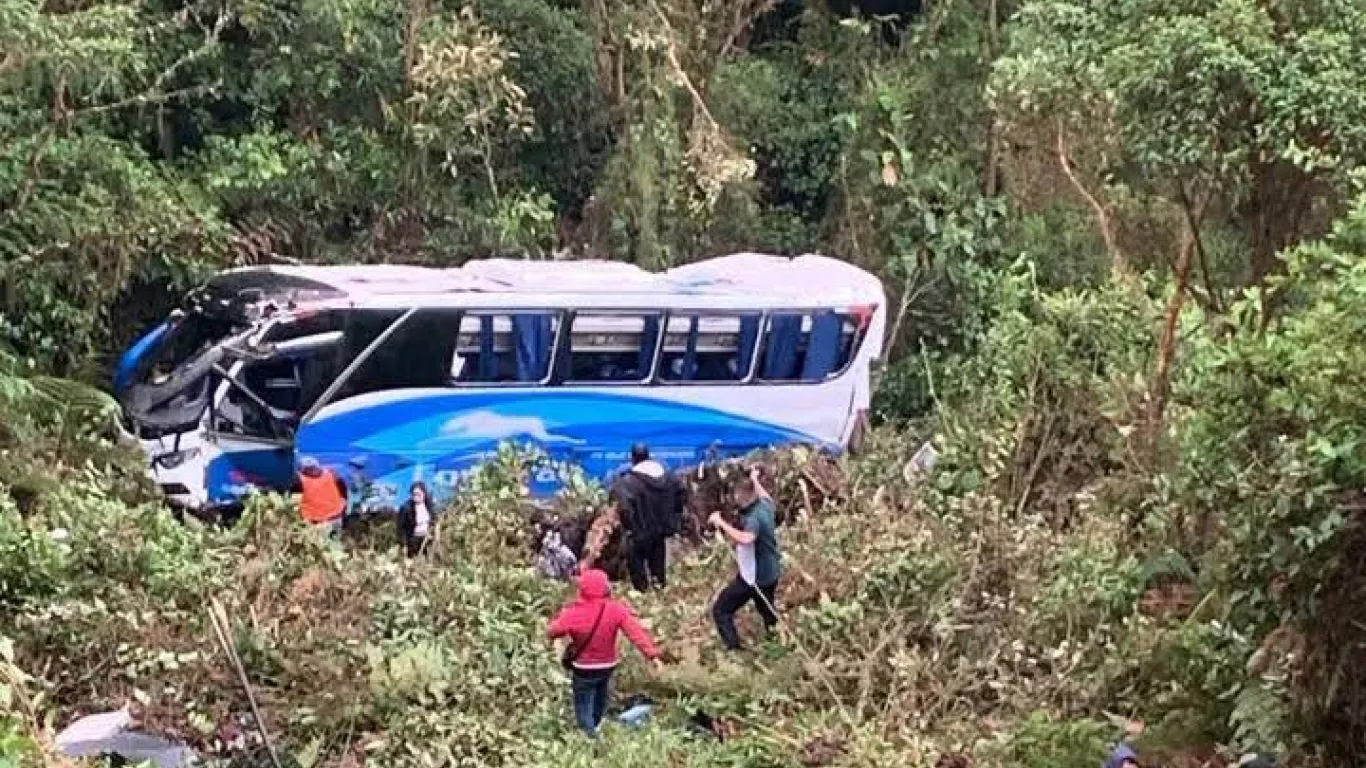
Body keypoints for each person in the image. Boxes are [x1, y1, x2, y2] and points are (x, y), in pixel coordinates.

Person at [547, 569, 664, 736]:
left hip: (584, 668)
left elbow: (553, 630)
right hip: (607, 665)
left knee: (583, 703)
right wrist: (652, 655)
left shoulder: (574, 612)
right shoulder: (616, 610)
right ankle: (596, 726)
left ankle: (589, 736)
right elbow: (636, 633)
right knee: (600, 698)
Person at [708, 468, 782, 651]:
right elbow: (766, 496)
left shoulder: (753, 519)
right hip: (771, 572)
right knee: (767, 610)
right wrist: (755, 480)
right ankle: (776, 644)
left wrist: (721, 523)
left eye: (736, 496)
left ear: (743, 497)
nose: (734, 499)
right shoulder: (765, 506)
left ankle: (734, 650)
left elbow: (747, 538)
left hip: (753, 578)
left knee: (721, 609)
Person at [610, 443, 687, 591]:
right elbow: (682, 494)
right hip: (660, 532)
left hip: (638, 533)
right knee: (658, 568)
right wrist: (674, 518)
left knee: (638, 571)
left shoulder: (628, 482)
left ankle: (642, 594)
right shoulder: (669, 477)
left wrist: (630, 528)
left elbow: (625, 509)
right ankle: (660, 593)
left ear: (632, 459)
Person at [297, 457, 346, 536]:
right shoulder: (331, 474)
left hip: (316, 522)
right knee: (336, 543)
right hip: (336, 517)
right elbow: (343, 491)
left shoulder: (300, 481)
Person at [396, 481, 434, 557]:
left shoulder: (428, 504)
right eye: (414, 494)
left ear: (424, 494)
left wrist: (431, 533)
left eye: (419, 494)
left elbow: (433, 519)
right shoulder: (406, 508)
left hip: (426, 539)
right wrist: (403, 544)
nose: (416, 496)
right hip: (413, 540)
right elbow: (401, 528)